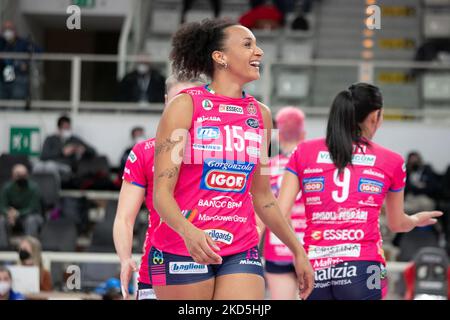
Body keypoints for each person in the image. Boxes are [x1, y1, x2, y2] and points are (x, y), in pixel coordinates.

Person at [150, 18, 313, 300]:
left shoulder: (261, 114)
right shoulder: (185, 105)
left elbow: (263, 196)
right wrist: (189, 232)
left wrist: (298, 250)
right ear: (220, 57)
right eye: (248, 45)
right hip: (184, 245)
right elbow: (161, 194)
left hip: (241, 246)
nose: (259, 52)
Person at [278, 82, 443, 300]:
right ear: (375, 116)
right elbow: (396, 224)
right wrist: (414, 219)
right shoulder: (392, 160)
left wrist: (298, 252)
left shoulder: (304, 151)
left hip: (314, 267)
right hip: (363, 268)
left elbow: (279, 212)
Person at [113, 76, 204, 300]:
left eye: (191, 102)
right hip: (158, 266)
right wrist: (125, 259)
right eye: (177, 101)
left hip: (208, 264)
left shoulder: (225, 151)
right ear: (166, 102)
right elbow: (124, 218)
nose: (184, 109)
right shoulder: (145, 152)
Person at [261, 106, 307, 300]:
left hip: (277, 248)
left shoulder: (267, 167)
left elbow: (260, 211)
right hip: (309, 248)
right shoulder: (312, 165)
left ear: (278, 136)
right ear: (303, 134)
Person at [40, 115, 97, 185]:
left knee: (50, 167)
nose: (67, 130)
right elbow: (43, 156)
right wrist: (62, 152)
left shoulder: (74, 140)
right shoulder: (50, 139)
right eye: (64, 128)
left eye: (68, 128)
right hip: (49, 165)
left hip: (66, 168)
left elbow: (93, 151)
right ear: (59, 128)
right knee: (40, 167)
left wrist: (83, 150)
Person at [0, 20, 42, 100]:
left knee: (16, 103)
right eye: (5, 29)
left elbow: (39, 52)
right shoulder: (1, 43)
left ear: (15, 31)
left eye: (10, 29)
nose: (7, 31)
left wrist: (26, 62)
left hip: (19, 79)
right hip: (2, 79)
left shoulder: (23, 43)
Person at [0, 164, 43, 237]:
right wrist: (9, 213)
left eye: (24, 175)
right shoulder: (7, 188)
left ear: (27, 175)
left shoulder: (34, 188)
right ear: (13, 175)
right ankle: (2, 247)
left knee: (31, 220)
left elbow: (32, 208)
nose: (21, 178)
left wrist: (18, 213)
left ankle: (29, 245)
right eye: (19, 175)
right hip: (11, 216)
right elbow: (2, 206)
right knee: (1, 221)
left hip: (30, 216)